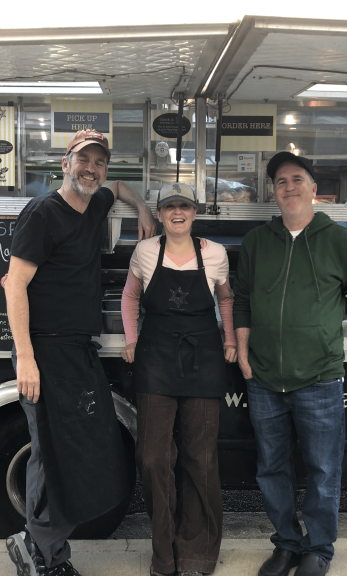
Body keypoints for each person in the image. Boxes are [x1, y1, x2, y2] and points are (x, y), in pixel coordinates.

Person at [4, 129, 156, 576]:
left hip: (77, 352)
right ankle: (45, 555)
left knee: (83, 449)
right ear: (64, 164)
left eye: (99, 162)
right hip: (44, 352)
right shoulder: (42, 213)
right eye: (83, 159)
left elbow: (120, 187)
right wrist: (26, 358)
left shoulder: (95, 202)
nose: (91, 168)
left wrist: (142, 207)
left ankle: (37, 544)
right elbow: (14, 286)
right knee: (53, 453)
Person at [234, 153, 347, 576]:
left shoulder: (340, 240)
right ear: (273, 192)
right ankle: (286, 544)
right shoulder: (256, 241)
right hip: (263, 377)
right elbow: (242, 300)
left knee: (322, 469)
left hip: (319, 377)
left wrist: (324, 319)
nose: (289, 186)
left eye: (297, 179)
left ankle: (318, 549)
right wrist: (242, 351)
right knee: (271, 469)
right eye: (281, 181)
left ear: (314, 189)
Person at [120, 182, 236, 576]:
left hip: (204, 360)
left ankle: (196, 554)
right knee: (153, 458)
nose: (177, 212)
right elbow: (130, 296)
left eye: (184, 206)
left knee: (200, 458)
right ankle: (164, 555)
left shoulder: (215, 254)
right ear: (160, 214)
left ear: (195, 212)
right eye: (169, 207)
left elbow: (225, 298)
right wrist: (132, 339)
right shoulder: (144, 252)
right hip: (155, 359)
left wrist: (230, 339)